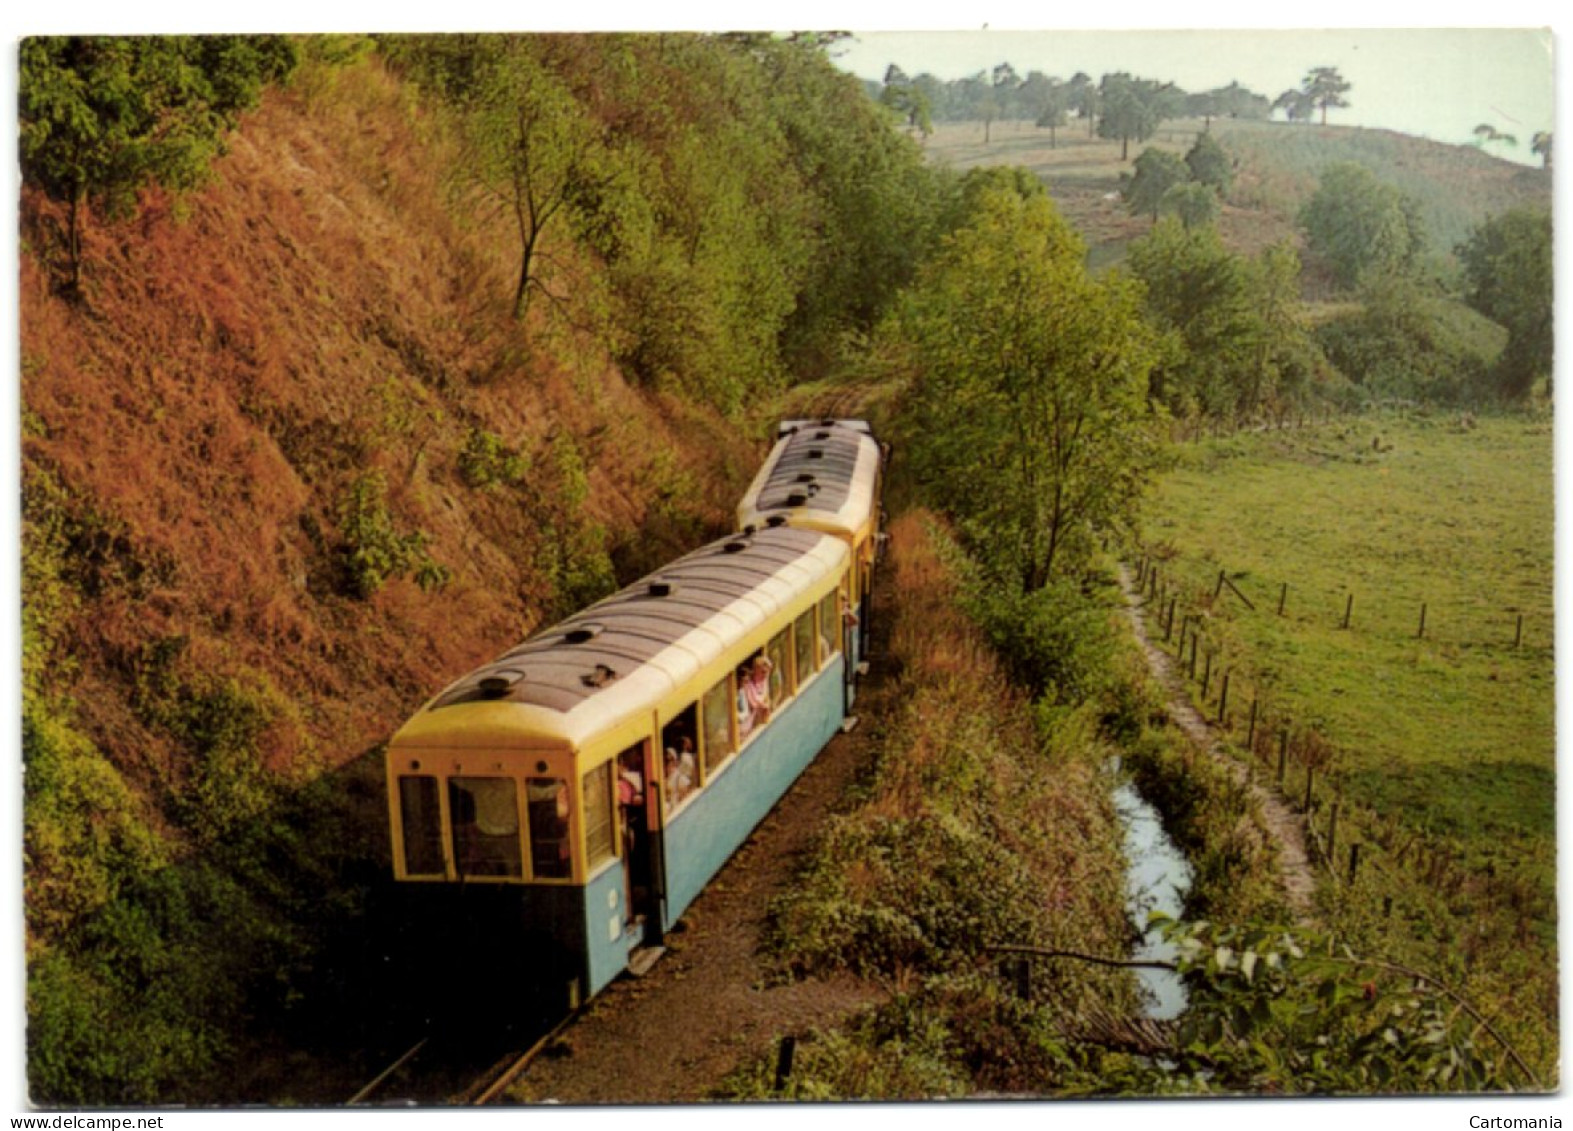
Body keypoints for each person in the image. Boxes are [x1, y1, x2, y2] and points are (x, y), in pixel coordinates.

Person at [741, 652, 773, 733]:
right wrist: (764, 705)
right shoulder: (748, 684)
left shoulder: (764, 680)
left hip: (755, 722)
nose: (765, 674)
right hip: (745, 725)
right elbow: (753, 702)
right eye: (763, 671)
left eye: (767, 672)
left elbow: (764, 696)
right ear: (756, 670)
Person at [664, 736, 697, 803]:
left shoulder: (679, 778)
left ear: (675, 761)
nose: (667, 764)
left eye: (669, 760)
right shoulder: (662, 777)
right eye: (665, 761)